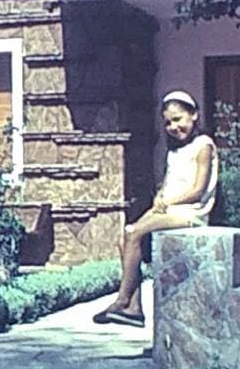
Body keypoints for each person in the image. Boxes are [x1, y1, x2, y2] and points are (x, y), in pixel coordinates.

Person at [93, 90, 218, 327]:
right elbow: (169, 182)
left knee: (133, 234)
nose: (173, 126)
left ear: (193, 115)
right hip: (169, 208)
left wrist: (168, 202)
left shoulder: (203, 145)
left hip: (190, 212)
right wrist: (160, 196)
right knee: (126, 237)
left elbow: (197, 189)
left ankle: (121, 299)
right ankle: (134, 308)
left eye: (178, 119)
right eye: (168, 122)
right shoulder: (175, 150)